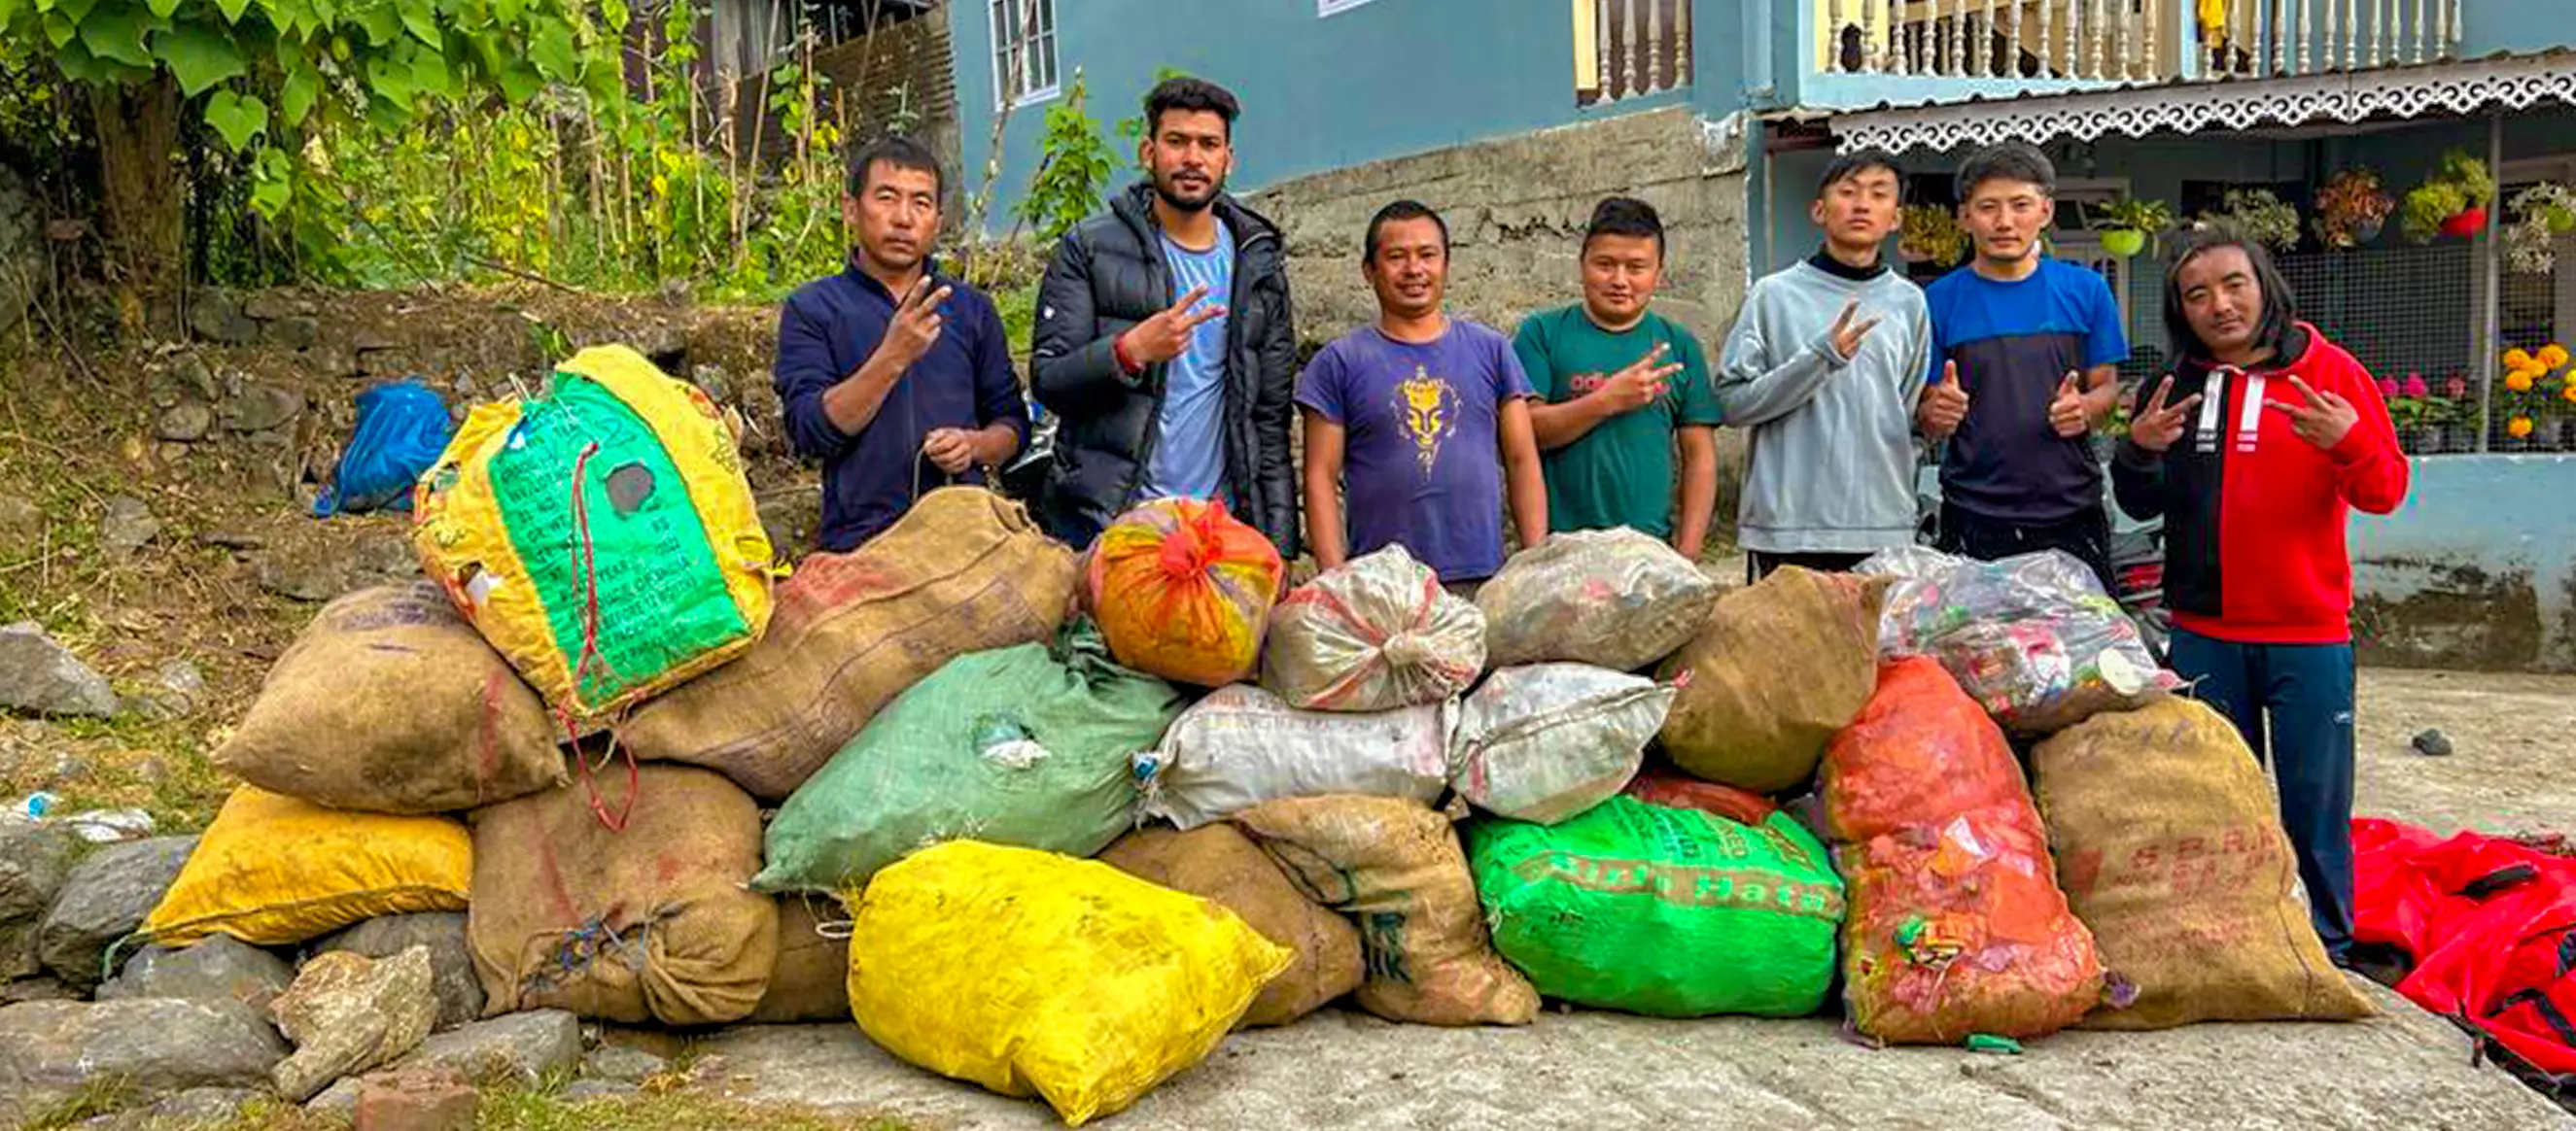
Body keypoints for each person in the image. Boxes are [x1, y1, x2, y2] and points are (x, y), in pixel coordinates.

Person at [2111, 225, 2408, 963]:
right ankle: (2237, 939)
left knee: (2315, 802)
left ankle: (2328, 947)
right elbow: (2138, 502)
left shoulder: (2331, 373)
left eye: (2233, 284)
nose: (2220, 305)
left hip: (2307, 634)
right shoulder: (2175, 384)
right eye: (2198, 294)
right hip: (2205, 632)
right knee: (2219, 800)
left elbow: (2386, 491)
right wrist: (2138, 449)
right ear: (2182, 310)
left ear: (2264, 285)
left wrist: (2350, 441)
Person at [1028, 76, 1301, 556]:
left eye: (1208, 144)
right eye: (1177, 141)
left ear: (1227, 160)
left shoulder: (1257, 262)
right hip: (1116, 526)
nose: (1192, 157)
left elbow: (1269, 420)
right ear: (1148, 152)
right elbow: (1049, 379)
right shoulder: (1089, 248)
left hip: (1221, 532)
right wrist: (1128, 351)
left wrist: (1278, 550)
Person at [773, 136, 1027, 552]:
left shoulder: (971, 309)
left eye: (921, 203)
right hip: (861, 545)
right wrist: (893, 355)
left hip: (966, 538)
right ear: (851, 209)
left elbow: (1013, 426)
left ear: (938, 220)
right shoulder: (814, 308)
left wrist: (973, 445)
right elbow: (809, 432)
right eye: (887, 198)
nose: (904, 218)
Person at [1298, 200, 1546, 596]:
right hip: (1382, 584)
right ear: (1369, 271)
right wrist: (1335, 582)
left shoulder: (1492, 349)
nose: (1414, 269)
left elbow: (1521, 459)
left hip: (1481, 575)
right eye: (1396, 257)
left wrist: (1534, 563)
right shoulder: (1338, 363)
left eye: (1427, 255)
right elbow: (1320, 477)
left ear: (1446, 264)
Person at [1716, 150, 1933, 580]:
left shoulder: (1910, 302)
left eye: (1878, 194)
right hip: (1788, 528)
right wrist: (1820, 359)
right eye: (1848, 192)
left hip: (1883, 524)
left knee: (1876, 649)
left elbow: (1904, 415)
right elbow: (1733, 405)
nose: (1862, 204)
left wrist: (1936, 418)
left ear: (1896, 218)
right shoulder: (1773, 296)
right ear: (1819, 209)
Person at [1918, 142, 2129, 588]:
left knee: (2087, 651)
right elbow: (1929, 412)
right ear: (1964, 217)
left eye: (2020, 205)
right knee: (1980, 654)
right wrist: (1935, 412)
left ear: (2046, 211)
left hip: (2072, 509)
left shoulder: (2087, 290)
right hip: (1974, 511)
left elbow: (2108, 390)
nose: (2005, 221)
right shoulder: (1936, 301)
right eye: (1988, 207)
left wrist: (2086, 409)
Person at [1517, 197, 1721, 559]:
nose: (1619, 280)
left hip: (1649, 552)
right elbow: (1525, 433)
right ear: (1582, 265)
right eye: (1605, 265)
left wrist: (1688, 555)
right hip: (1560, 551)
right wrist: (1605, 401)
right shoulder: (1541, 334)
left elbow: (1700, 457)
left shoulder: (1680, 345)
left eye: (1636, 267)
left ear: (1659, 273)